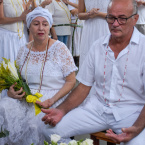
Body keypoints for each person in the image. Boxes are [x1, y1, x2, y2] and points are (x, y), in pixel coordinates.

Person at [39, 0, 145, 144]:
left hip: (131, 113)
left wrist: (138, 127)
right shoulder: (98, 46)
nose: (115, 24)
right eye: (111, 18)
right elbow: (83, 87)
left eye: (122, 18)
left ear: (135, 19)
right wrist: (61, 110)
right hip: (97, 109)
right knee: (47, 130)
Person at [0, 7, 77, 145]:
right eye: (36, 24)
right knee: (3, 106)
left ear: (49, 26)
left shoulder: (60, 48)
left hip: (54, 98)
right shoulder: (23, 50)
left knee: (36, 122)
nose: (41, 28)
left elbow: (71, 81)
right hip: (28, 98)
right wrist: (11, 92)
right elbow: (19, 80)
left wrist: (52, 100)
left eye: (45, 24)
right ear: (29, 26)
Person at [78, 0, 110, 67]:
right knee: (89, 55)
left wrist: (99, 14)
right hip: (89, 30)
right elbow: (80, 15)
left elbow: (115, 14)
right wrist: (89, 14)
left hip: (105, 28)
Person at [63, 0, 84, 67]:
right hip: (74, 23)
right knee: (74, 42)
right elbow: (73, 12)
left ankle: (80, 58)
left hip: (82, 23)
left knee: (81, 42)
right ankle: (73, 60)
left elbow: (85, 9)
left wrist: (80, 9)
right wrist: (81, 10)